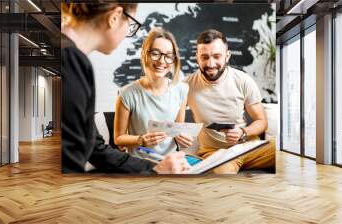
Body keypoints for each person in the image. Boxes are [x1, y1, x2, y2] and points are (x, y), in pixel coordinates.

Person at [61, 3, 190, 174]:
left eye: (168, 55)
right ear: (114, 17)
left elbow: (94, 149)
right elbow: (71, 159)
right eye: (131, 23)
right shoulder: (71, 60)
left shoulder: (74, 59)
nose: (162, 61)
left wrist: (155, 170)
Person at [185, 29, 275, 174]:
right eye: (204, 57)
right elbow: (170, 116)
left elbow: (262, 121)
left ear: (227, 56)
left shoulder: (243, 80)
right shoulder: (186, 86)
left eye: (216, 56)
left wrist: (242, 132)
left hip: (250, 147)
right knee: (222, 180)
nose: (211, 63)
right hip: (216, 154)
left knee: (285, 152)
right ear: (197, 58)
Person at [114, 28, 193, 159]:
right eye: (156, 53)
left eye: (168, 56)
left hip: (171, 161)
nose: (162, 61)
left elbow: (177, 131)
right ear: (145, 54)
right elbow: (118, 138)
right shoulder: (126, 94)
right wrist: (140, 140)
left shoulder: (181, 89)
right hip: (140, 163)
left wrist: (183, 139)